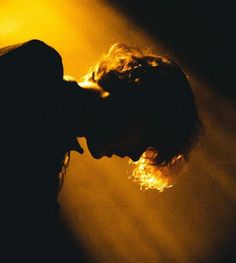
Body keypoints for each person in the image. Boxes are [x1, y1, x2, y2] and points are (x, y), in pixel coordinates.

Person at [0, 39, 202, 261]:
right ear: (138, 103)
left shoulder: (53, 161)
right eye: (146, 140)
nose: (134, 155)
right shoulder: (37, 66)